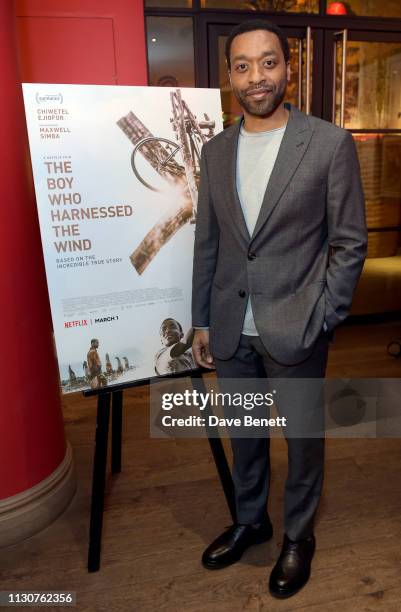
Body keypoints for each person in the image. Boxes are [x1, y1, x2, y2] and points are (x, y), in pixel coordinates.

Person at [191, 19, 367, 599]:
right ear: (229, 78)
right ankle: (251, 520)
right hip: (230, 328)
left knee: (302, 439)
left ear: (288, 68)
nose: (256, 76)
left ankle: (297, 535)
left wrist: (326, 316)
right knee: (245, 435)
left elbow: (348, 241)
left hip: (298, 326)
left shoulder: (328, 143)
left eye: (268, 62)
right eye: (242, 66)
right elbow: (209, 244)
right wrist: (200, 320)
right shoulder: (215, 152)